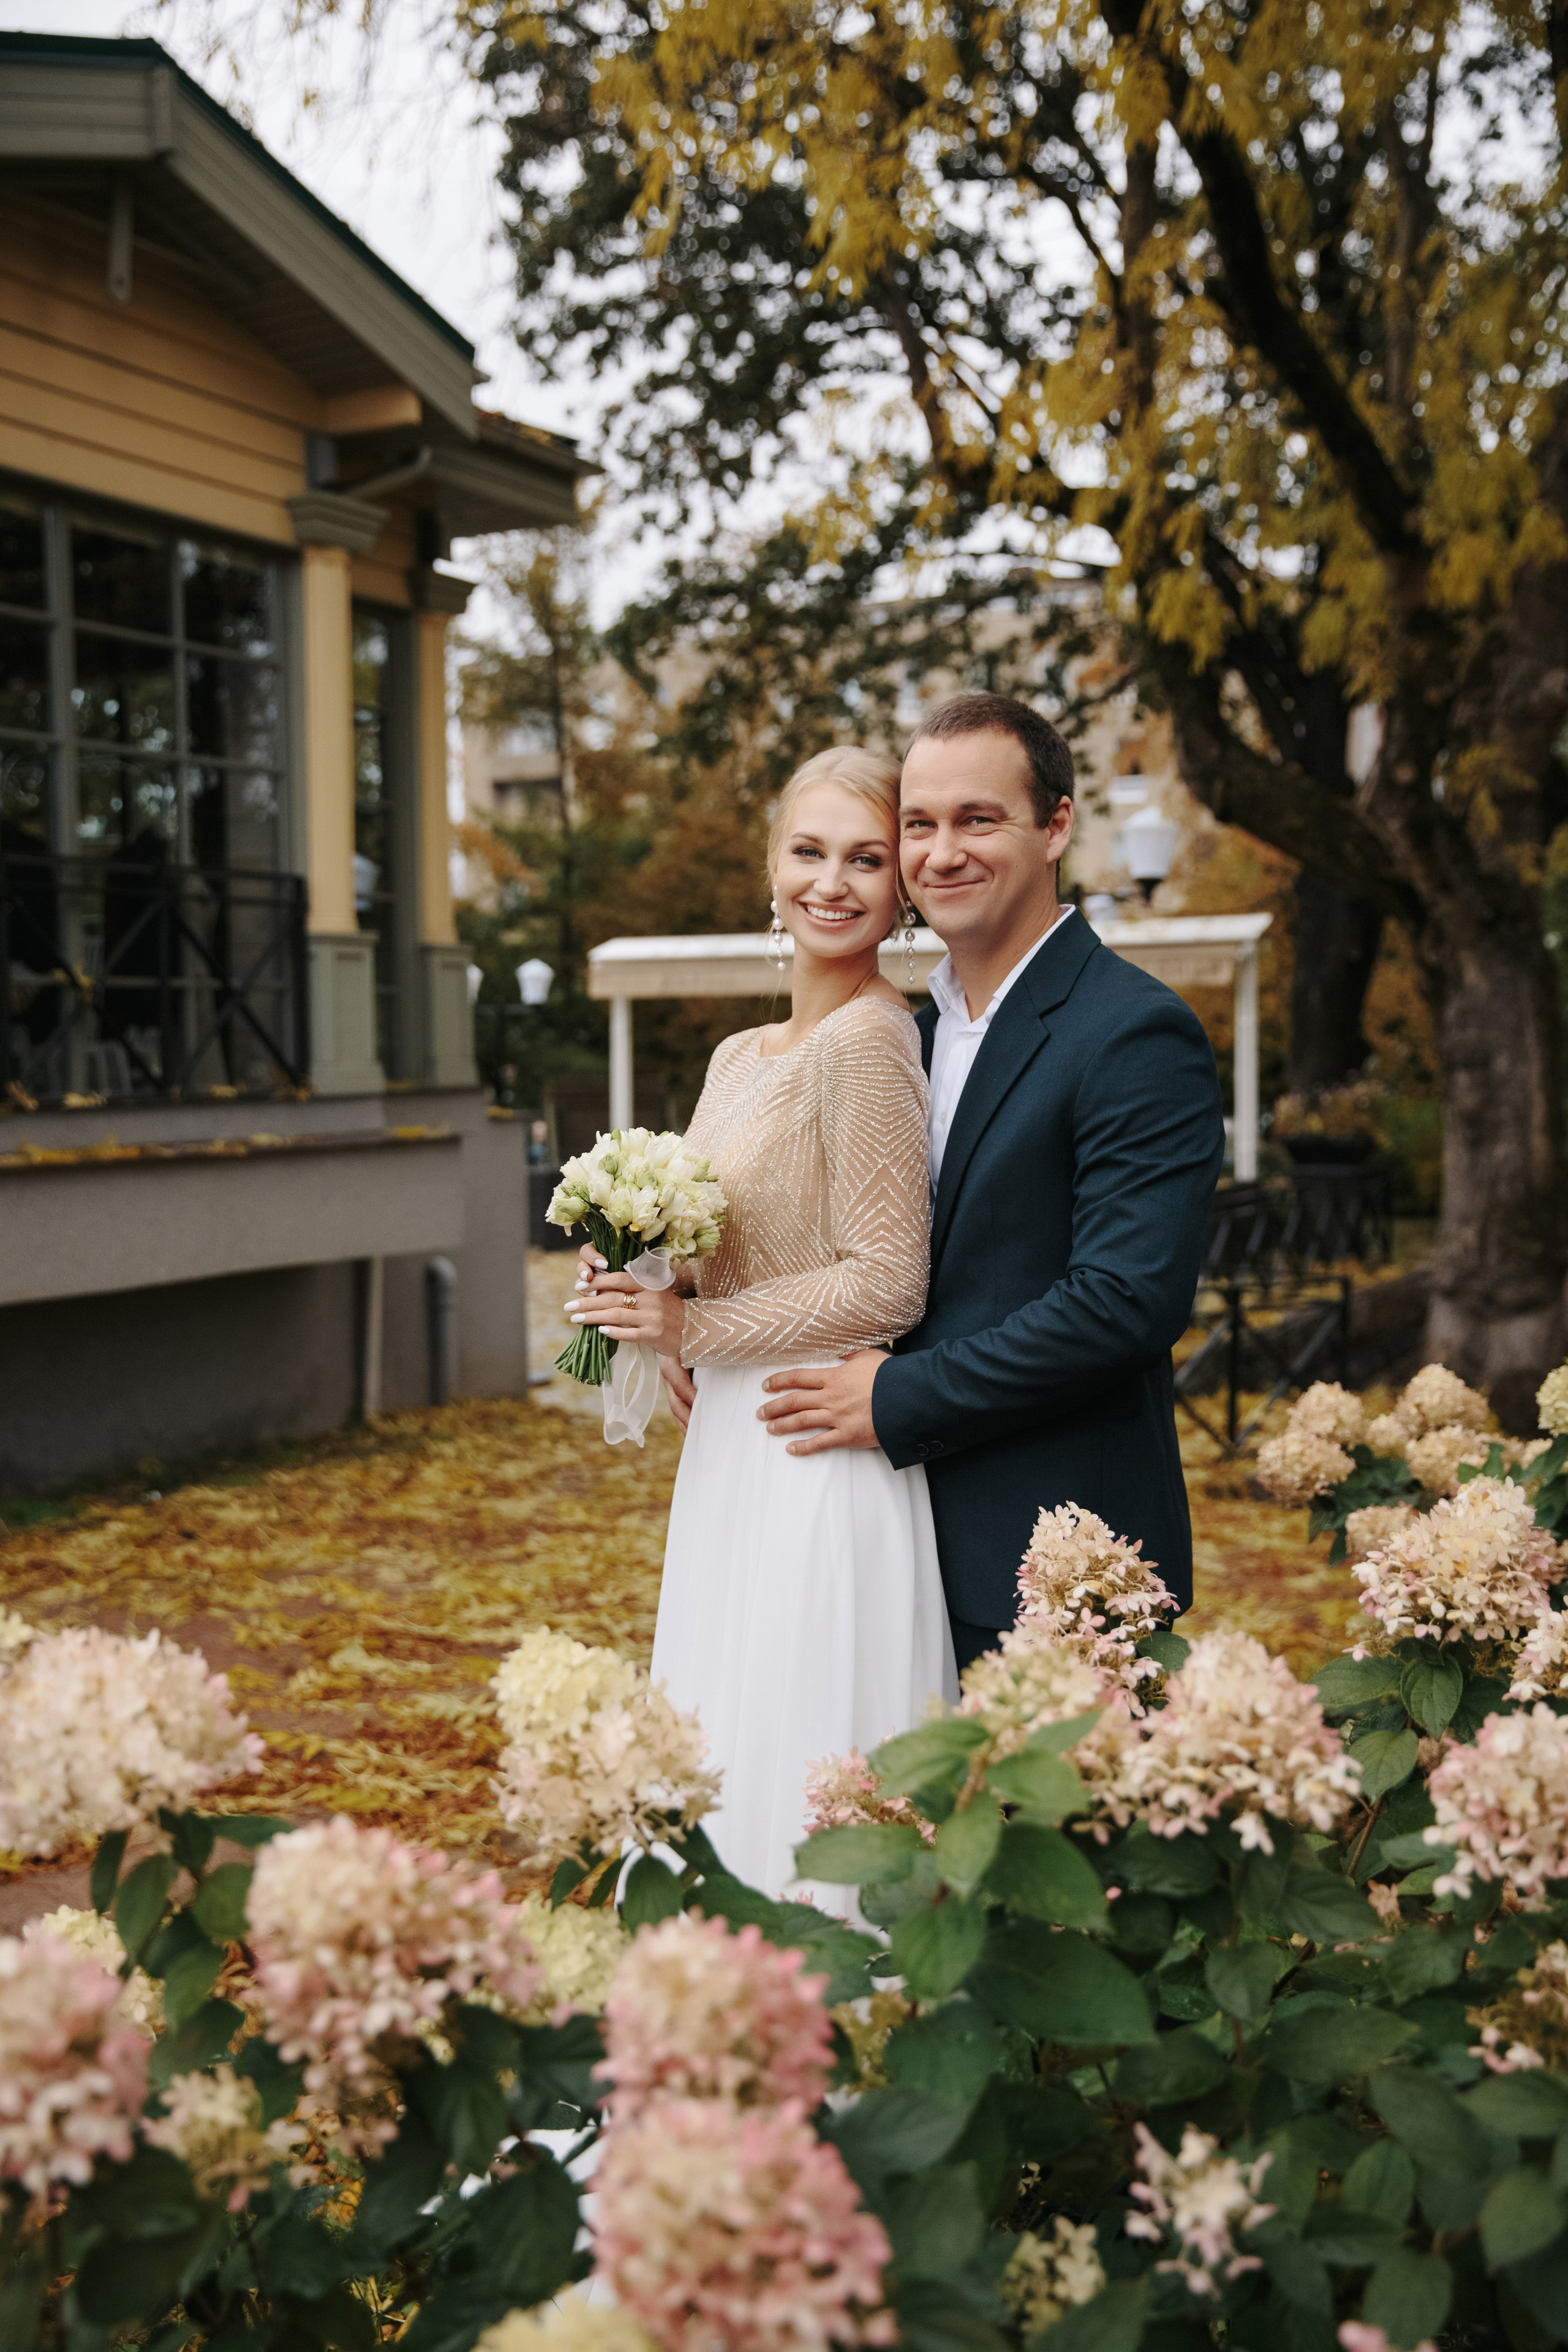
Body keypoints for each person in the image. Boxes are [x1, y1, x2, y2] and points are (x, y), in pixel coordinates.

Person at [755, 695, 1226, 1670]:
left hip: (1051, 1560)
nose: (942, 853)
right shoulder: (904, 1039)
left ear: (1056, 825)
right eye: (918, 826)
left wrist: (899, 1396)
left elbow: (1125, 1302)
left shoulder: (1133, 1032)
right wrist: (680, 1305)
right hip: (880, 1541)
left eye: (979, 819)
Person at [568, 747, 957, 1893]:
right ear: (771, 865)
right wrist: (646, 1266)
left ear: (899, 895)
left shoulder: (873, 1041)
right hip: (733, 1448)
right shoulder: (743, 1055)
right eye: (809, 851)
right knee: (721, 1716)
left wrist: (695, 1334)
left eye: (866, 859)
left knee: (800, 1730)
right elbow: (725, 1245)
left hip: (814, 1437)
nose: (831, 882)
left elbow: (892, 1280)